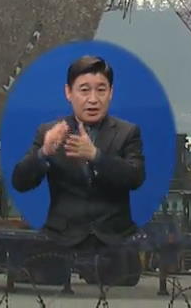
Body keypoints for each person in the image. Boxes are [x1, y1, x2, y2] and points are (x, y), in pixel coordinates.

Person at [11, 55, 146, 249]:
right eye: (84, 90)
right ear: (68, 92)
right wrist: (45, 152)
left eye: (101, 90)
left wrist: (96, 156)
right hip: (60, 241)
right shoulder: (50, 132)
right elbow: (20, 182)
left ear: (111, 93)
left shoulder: (128, 132)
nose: (93, 99)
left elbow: (136, 177)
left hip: (115, 242)